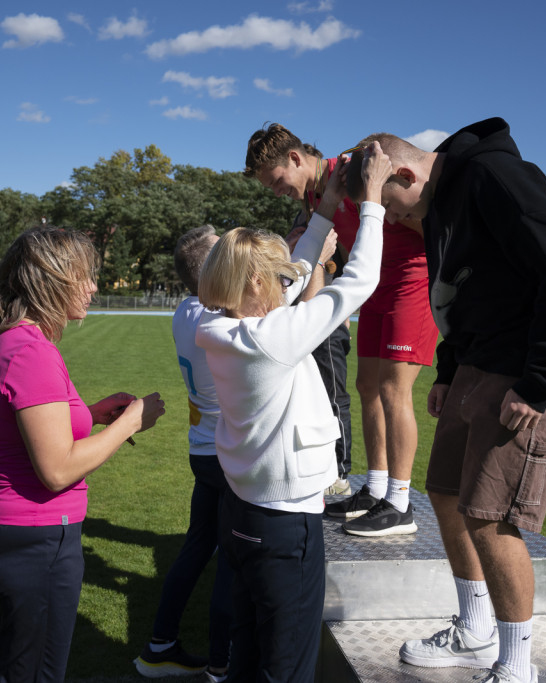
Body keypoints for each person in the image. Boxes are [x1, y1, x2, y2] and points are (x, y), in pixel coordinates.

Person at [344, 119, 546, 683]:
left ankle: (516, 666)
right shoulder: (437, 204)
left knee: (491, 516)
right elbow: (455, 290)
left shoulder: (494, 177)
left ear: (406, 173)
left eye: (393, 207)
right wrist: (449, 370)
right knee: (446, 492)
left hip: (527, 370)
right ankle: (475, 630)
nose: (400, 221)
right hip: (475, 366)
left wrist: (540, 380)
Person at [195, 147, 390, 682]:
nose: (288, 281)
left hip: (243, 515)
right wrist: (369, 201)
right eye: (273, 277)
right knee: (288, 668)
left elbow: (297, 267)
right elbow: (358, 283)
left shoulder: (223, 325)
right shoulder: (272, 338)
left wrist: (326, 204)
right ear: (256, 285)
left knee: (249, 653)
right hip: (284, 527)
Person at [0, 225, 166, 683]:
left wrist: (95, 414)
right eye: (84, 276)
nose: (94, 287)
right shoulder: (28, 350)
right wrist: (128, 424)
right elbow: (56, 469)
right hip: (34, 541)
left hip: (30, 538)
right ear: (50, 280)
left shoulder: (26, 343)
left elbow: (35, 425)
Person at [245, 123, 440, 535]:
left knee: (393, 389)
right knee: (367, 387)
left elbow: (427, 223)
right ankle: (375, 488)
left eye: (278, 180)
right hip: (371, 286)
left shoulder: (355, 170)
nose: (277, 190)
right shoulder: (318, 197)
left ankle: (400, 504)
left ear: (296, 159)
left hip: (411, 281)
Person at [134, 225, 231, 682]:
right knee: (231, 560)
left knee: (197, 549)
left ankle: (160, 645)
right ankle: (220, 665)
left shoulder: (184, 312)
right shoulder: (219, 322)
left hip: (202, 449)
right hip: (226, 456)